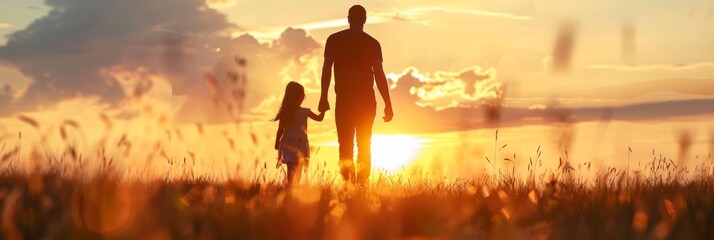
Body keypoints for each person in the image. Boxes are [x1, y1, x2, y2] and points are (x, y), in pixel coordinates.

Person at [318, 5, 393, 185]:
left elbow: (327, 69)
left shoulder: (334, 39)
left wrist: (323, 97)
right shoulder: (373, 43)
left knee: (345, 144)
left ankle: (349, 185)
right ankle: (362, 185)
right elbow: (379, 74)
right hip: (367, 101)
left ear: (348, 18)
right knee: (364, 143)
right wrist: (388, 104)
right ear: (365, 19)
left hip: (344, 100)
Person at [273, 81, 325, 186]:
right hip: (299, 143)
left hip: (289, 143)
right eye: (301, 97)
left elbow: (280, 130)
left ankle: (290, 187)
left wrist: (277, 142)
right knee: (296, 168)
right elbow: (319, 118)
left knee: (292, 167)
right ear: (297, 97)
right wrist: (323, 110)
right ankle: (291, 188)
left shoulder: (286, 112)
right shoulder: (301, 112)